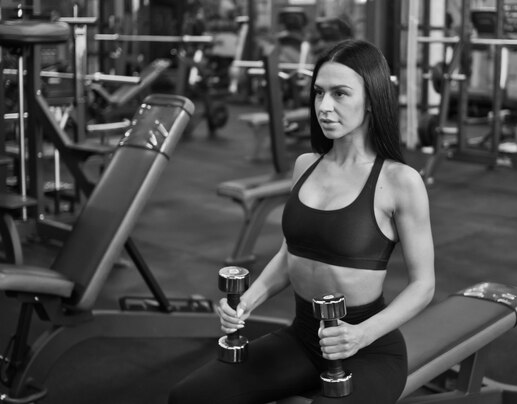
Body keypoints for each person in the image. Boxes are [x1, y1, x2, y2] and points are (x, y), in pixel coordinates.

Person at [168, 39, 435, 404]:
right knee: (190, 397)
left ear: (371, 100)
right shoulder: (305, 166)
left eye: (340, 94)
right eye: (319, 93)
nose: (324, 106)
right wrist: (246, 302)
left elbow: (424, 285)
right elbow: (290, 254)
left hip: (367, 350)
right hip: (302, 338)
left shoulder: (399, 180)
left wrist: (362, 335)